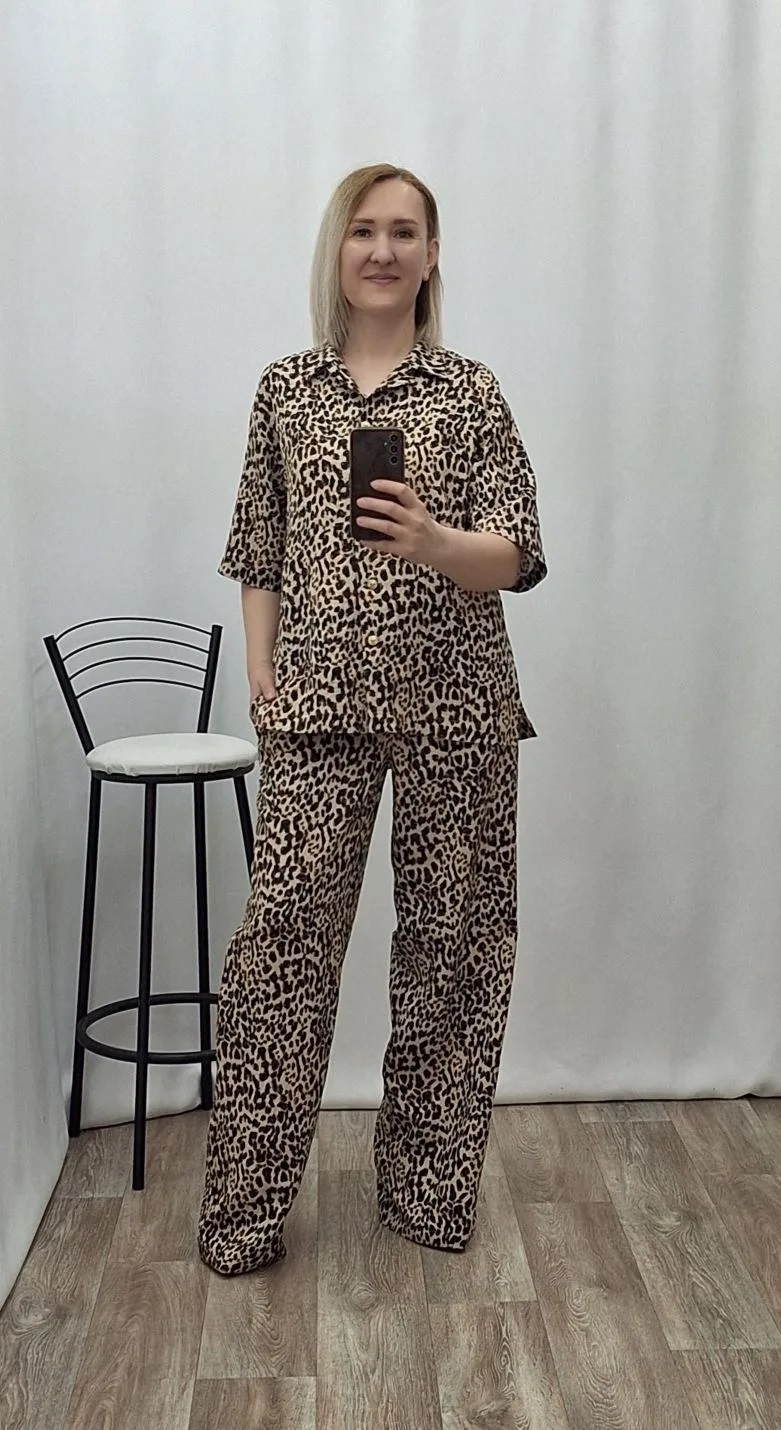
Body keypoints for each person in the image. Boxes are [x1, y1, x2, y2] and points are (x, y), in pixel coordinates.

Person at [197, 162, 547, 1276]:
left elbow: (518, 553)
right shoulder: (285, 389)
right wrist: (262, 672)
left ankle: (427, 1192)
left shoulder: (470, 392)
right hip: (316, 705)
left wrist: (433, 541)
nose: (383, 250)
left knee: (454, 947)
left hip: (458, 702)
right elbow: (258, 546)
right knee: (282, 951)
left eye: (404, 232)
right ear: (337, 250)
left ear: (432, 256)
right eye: (363, 230)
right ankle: (244, 1212)